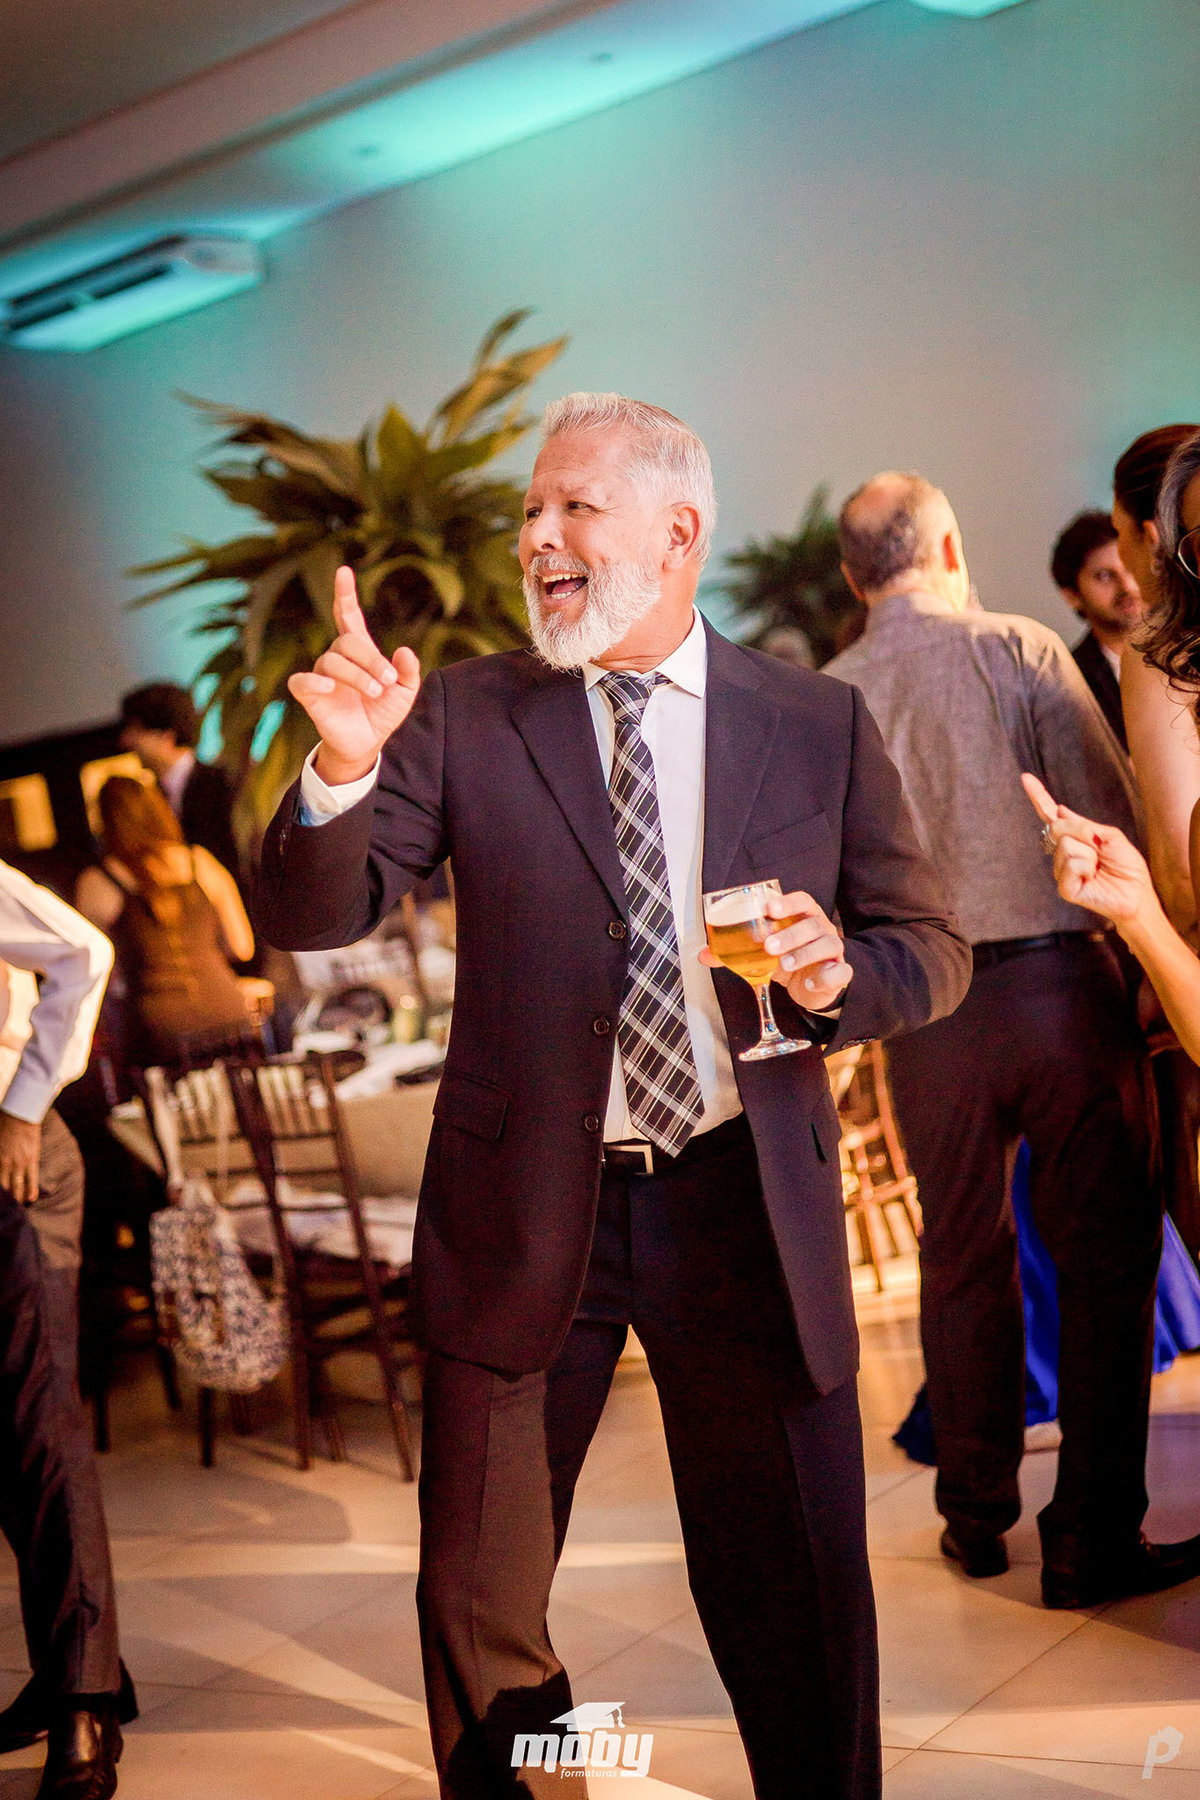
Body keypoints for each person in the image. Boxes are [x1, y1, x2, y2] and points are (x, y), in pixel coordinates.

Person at [254, 393, 971, 1800]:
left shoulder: (813, 721)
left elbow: (929, 949)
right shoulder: (462, 712)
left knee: (794, 1596)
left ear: (677, 531)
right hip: (528, 1211)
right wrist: (341, 768)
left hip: (740, 1208)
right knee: (477, 1603)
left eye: (574, 507)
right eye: (531, 512)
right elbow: (314, 912)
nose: (538, 538)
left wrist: (842, 979)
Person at [825, 470, 1200, 1611]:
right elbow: (1109, 824)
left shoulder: (830, 695)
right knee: (1106, 1259)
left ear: (852, 577)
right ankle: (1090, 1536)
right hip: (1058, 995)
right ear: (948, 548)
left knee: (959, 1256)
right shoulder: (1019, 648)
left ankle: (975, 1514)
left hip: (922, 1016)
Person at [0, 858, 137, 1800]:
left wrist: (22, 1106)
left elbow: (83, 951)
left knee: (41, 1427)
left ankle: (85, 1704)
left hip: (15, 1159)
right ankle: (71, 1668)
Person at [74, 777, 255, 1068]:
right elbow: (242, 947)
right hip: (228, 1012)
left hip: (159, 1029)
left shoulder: (99, 882)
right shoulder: (200, 862)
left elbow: (96, 971)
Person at [1113, 426, 1200, 938]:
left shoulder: (1160, 650)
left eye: (1117, 533)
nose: (1120, 558)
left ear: (1151, 536)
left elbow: (1179, 869)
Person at [118, 683, 240, 883]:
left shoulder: (223, 784)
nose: (126, 741)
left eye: (136, 730)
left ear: (166, 736)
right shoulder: (149, 796)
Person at [1050, 510, 1143, 749]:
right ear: (1072, 596)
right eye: (1104, 576)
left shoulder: (1188, 647)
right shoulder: (1068, 683)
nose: (1127, 586)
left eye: (1130, 567)